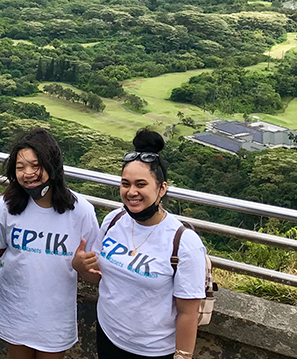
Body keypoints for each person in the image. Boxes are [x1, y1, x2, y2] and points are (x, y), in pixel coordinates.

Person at [73, 129, 207, 359]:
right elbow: (101, 277)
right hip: (108, 335)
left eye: (141, 184)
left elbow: (188, 312)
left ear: (161, 189)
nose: (131, 192)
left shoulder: (183, 242)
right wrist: (80, 266)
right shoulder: (113, 220)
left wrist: (183, 356)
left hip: (153, 350)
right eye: (126, 184)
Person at [0, 128, 100, 359]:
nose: (28, 173)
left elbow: (96, 276)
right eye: (20, 167)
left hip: (54, 317)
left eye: (35, 165)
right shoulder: (6, 206)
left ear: (52, 164)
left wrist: (81, 267)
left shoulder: (81, 211)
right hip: (14, 308)